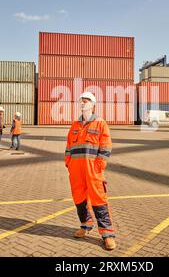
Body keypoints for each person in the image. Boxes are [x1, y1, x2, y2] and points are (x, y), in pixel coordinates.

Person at [65, 92, 116, 250]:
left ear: (93, 104)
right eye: (81, 101)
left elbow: (106, 144)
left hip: (92, 168)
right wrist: (68, 162)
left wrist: (99, 163)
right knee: (78, 198)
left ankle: (107, 234)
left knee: (98, 198)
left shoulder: (100, 123)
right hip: (76, 169)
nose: (82, 103)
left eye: (86, 101)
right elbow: (68, 146)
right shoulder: (75, 125)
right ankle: (85, 225)